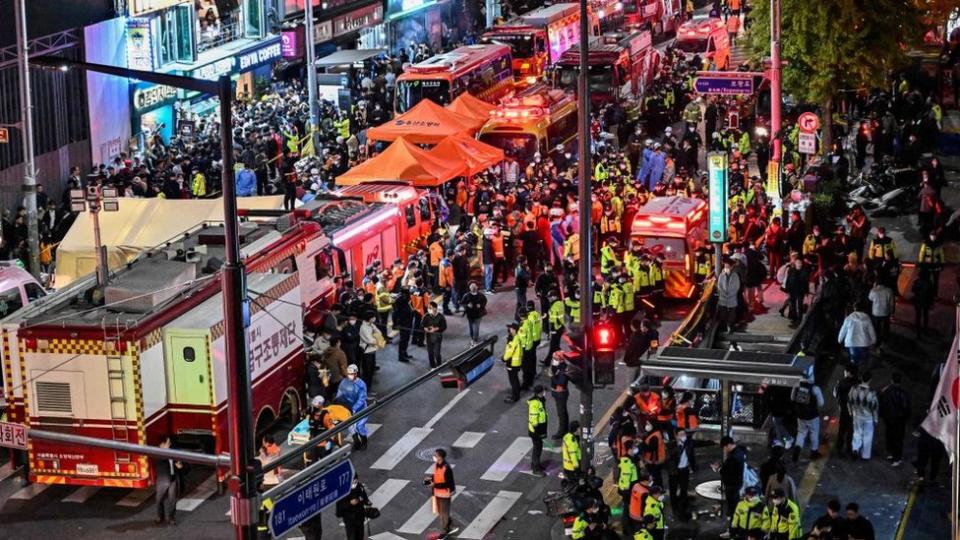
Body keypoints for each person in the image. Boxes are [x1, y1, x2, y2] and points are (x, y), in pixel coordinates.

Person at [878, 372, 911, 467]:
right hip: (899, 420)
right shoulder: (903, 393)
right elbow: (906, 407)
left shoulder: (886, 391)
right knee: (898, 439)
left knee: (889, 435)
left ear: (891, 380)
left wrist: (882, 415)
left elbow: (880, 401)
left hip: (888, 419)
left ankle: (890, 453)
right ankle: (897, 458)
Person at [425, 449, 457, 538]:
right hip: (437, 493)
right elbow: (437, 475)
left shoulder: (446, 468)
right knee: (440, 512)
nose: (433, 456)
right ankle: (448, 522)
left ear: (440, 457)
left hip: (444, 494)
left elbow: (448, 483)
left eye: (435, 455)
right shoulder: (437, 465)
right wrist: (430, 479)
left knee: (444, 513)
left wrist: (434, 484)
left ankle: (444, 531)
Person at [792, 374, 825, 461]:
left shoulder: (797, 385)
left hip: (800, 415)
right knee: (814, 433)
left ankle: (797, 449)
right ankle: (814, 453)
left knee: (801, 433)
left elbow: (792, 398)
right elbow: (821, 403)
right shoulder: (815, 388)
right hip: (812, 415)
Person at [847, 371, 879, 460]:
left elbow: (849, 401)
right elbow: (875, 407)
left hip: (857, 416)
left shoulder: (853, 388)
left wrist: (851, 412)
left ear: (861, 378)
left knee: (857, 433)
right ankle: (865, 455)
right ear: (870, 380)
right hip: (868, 418)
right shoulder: (872, 392)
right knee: (868, 435)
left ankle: (855, 449)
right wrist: (875, 419)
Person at [337, 365, 370, 450]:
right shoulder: (344, 382)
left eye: (353, 373)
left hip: (361, 409)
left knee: (359, 427)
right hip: (349, 408)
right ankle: (357, 442)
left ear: (356, 374)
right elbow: (340, 393)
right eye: (349, 374)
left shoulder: (361, 384)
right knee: (351, 427)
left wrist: (354, 408)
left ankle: (364, 442)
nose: (351, 375)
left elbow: (362, 398)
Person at [154, 436, 185, 526]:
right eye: (168, 443)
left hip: (173, 478)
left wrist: (180, 465)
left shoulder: (171, 451)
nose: (170, 444)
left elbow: (179, 462)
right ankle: (160, 516)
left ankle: (171, 517)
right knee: (159, 499)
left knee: (172, 500)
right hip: (163, 480)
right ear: (162, 445)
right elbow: (163, 459)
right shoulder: (158, 453)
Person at [667, 427, 696, 521]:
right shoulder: (671, 445)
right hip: (674, 471)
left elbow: (692, 454)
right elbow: (670, 455)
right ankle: (674, 507)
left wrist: (694, 466)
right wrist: (680, 445)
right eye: (681, 435)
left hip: (684, 470)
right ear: (676, 436)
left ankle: (683, 508)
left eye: (684, 434)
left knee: (684, 489)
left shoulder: (688, 443)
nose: (683, 436)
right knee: (673, 490)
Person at [716, 436, 747, 525]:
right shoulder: (739, 451)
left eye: (724, 448)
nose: (724, 450)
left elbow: (726, 471)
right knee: (735, 504)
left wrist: (719, 469)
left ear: (728, 445)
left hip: (732, 485)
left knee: (733, 506)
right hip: (737, 483)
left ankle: (733, 526)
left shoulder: (733, 457)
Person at [838, 303, 876, 368]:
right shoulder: (867, 318)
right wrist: (873, 341)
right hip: (864, 342)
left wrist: (839, 339)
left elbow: (843, 329)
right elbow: (871, 330)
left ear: (855, 308)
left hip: (851, 342)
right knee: (864, 359)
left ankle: (855, 373)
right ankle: (863, 373)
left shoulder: (849, 318)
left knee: (854, 360)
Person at [335, 473, 371, 540]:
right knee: (352, 537)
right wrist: (350, 503)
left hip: (360, 517)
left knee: (360, 536)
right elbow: (339, 509)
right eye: (353, 480)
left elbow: (364, 497)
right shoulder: (343, 491)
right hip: (350, 520)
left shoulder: (360, 487)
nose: (354, 482)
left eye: (355, 480)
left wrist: (367, 502)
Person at [618, 440, 640, 533]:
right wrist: (627, 490)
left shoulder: (632, 458)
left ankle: (628, 526)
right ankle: (627, 528)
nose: (636, 448)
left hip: (632, 486)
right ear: (629, 449)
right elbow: (625, 476)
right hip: (628, 489)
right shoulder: (627, 461)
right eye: (634, 447)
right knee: (628, 509)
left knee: (629, 508)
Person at [528, 385, 548, 475]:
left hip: (540, 428)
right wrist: (537, 430)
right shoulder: (534, 403)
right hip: (536, 430)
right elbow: (533, 417)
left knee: (538, 447)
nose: (544, 393)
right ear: (540, 392)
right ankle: (536, 469)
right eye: (543, 391)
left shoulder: (540, 400)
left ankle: (535, 464)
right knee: (537, 448)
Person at [867, 279, 894, 346]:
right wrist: (892, 311)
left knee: (876, 327)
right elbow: (891, 303)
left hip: (876, 312)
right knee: (885, 327)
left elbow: (870, 298)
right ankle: (885, 340)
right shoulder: (889, 290)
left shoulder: (873, 290)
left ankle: (877, 341)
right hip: (885, 312)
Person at [717, 257, 741, 331]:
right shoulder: (721, 275)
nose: (726, 268)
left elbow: (737, 287)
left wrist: (730, 294)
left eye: (727, 267)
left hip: (732, 299)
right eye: (725, 267)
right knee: (722, 315)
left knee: (732, 316)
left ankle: (731, 327)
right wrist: (723, 293)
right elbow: (719, 285)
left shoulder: (735, 276)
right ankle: (723, 328)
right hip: (723, 299)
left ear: (731, 267)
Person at [550, 352, 570, 439]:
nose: (553, 360)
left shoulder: (563, 369)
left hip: (560, 393)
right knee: (563, 412)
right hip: (557, 393)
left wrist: (552, 376)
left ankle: (561, 431)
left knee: (561, 413)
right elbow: (554, 370)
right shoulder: (558, 366)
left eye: (555, 359)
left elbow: (561, 382)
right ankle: (565, 429)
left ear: (561, 359)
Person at [422, 301, 447, 368]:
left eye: (430, 308)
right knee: (430, 353)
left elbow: (444, 326)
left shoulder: (440, 316)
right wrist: (425, 328)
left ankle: (439, 366)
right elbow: (422, 325)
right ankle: (432, 366)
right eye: (428, 308)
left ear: (435, 308)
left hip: (437, 338)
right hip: (429, 337)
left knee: (437, 353)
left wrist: (436, 329)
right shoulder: (426, 316)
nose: (429, 309)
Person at [503, 323, 523, 403]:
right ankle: (516, 393)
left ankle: (514, 397)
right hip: (517, 362)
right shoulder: (518, 337)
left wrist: (504, 358)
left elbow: (509, 352)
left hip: (512, 363)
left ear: (514, 330)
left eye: (510, 329)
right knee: (515, 379)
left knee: (513, 380)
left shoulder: (513, 340)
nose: (509, 330)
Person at [912, 269, 935, 337]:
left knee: (918, 316)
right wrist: (931, 303)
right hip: (926, 301)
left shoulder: (916, 281)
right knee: (925, 316)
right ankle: (925, 331)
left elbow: (913, 290)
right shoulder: (929, 282)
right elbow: (931, 294)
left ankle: (918, 332)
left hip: (918, 301)